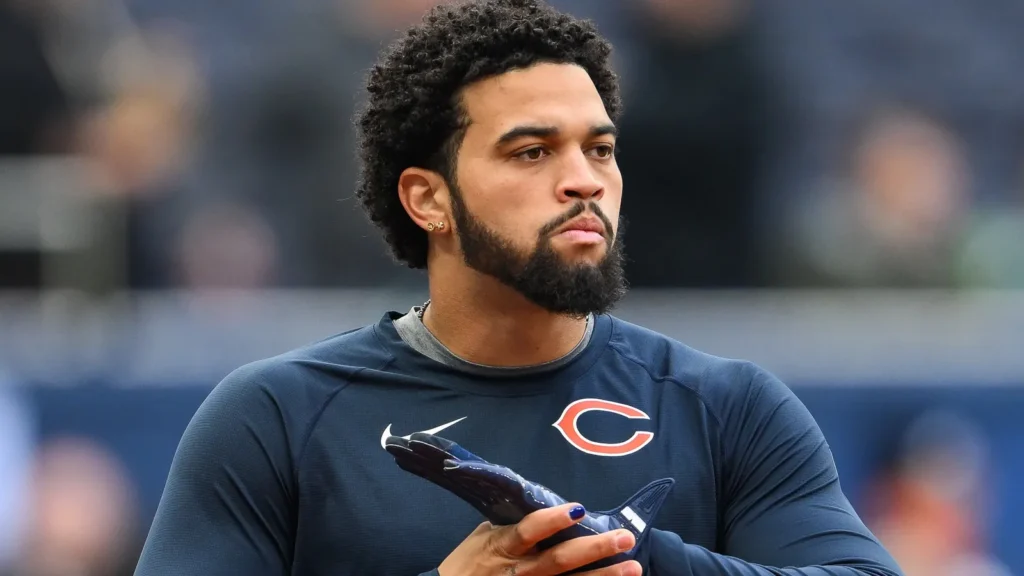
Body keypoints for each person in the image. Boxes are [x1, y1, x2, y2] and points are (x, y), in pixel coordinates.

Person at [134, 1, 904, 575]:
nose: (583, 182)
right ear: (427, 199)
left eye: (600, 150)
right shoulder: (277, 417)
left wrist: (614, 550)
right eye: (532, 152)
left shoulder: (728, 408)